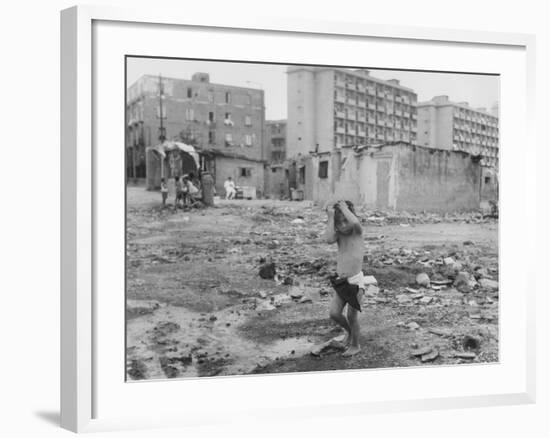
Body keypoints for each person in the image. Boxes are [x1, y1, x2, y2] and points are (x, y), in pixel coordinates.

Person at [324, 199, 365, 357]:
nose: (343, 225)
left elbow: (354, 222)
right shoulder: (339, 234)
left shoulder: (356, 230)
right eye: (339, 221)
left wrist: (343, 207)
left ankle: (355, 345)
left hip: (355, 282)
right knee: (334, 313)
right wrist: (330, 217)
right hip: (341, 282)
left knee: (351, 316)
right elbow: (328, 239)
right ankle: (350, 332)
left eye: (344, 220)